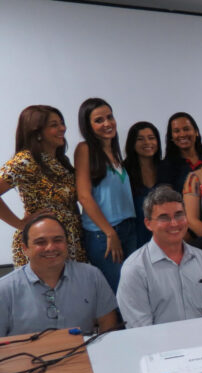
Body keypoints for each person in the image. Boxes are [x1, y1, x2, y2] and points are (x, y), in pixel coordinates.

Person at [117, 186, 202, 328]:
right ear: (148, 224)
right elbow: (140, 329)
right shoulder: (134, 269)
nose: (174, 223)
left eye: (179, 215)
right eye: (164, 218)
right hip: (160, 348)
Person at [0, 214, 117, 336]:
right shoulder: (5, 290)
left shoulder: (91, 276)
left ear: (67, 243)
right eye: (41, 242)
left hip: (83, 353)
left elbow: (108, 324)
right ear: (25, 248)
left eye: (57, 240)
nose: (50, 247)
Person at [0, 105, 86, 267]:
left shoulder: (61, 161)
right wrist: (19, 223)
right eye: (54, 125)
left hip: (69, 242)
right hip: (42, 245)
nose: (63, 128)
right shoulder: (26, 160)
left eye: (62, 123)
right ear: (37, 133)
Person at [74, 98, 137, 293]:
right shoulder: (84, 149)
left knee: (134, 290)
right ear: (88, 126)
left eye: (110, 117)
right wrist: (110, 232)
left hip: (128, 228)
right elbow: (83, 196)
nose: (107, 123)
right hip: (105, 234)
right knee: (120, 294)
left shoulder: (115, 152)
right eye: (99, 120)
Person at [124, 121, 162, 247]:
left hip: (163, 236)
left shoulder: (166, 168)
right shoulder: (124, 171)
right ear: (132, 143)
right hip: (134, 238)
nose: (147, 143)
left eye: (151, 138)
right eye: (140, 139)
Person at [158, 112, 202, 193]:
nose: (182, 134)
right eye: (176, 131)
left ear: (196, 132)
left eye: (186, 129)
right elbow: (166, 199)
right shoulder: (166, 166)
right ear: (171, 137)